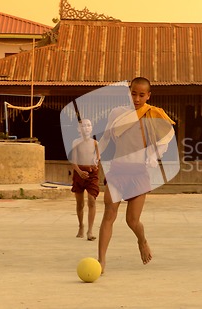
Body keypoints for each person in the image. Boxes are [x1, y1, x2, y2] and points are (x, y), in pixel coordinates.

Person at [98, 77, 175, 273]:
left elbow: (165, 138)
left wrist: (153, 156)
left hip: (138, 173)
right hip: (117, 171)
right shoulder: (117, 113)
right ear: (128, 93)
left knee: (132, 220)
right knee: (109, 214)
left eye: (142, 95)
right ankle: (101, 260)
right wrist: (95, 155)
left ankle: (142, 240)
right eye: (133, 93)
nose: (137, 99)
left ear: (148, 95)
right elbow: (106, 137)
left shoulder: (152, 115)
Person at [70, 118, 100, 241]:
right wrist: (80, 172)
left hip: (92, 174)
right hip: (79, 172)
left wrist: (95, 162)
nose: (86, 128)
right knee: (80, 203)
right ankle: (81, 225)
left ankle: (90, 230)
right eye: (83, 126)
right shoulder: (75, 142)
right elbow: (73, 161)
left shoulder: (95, 143)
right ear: (78, 129)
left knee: (92, 201)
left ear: (91, 128)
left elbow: (98, 158)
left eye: (88, 125)